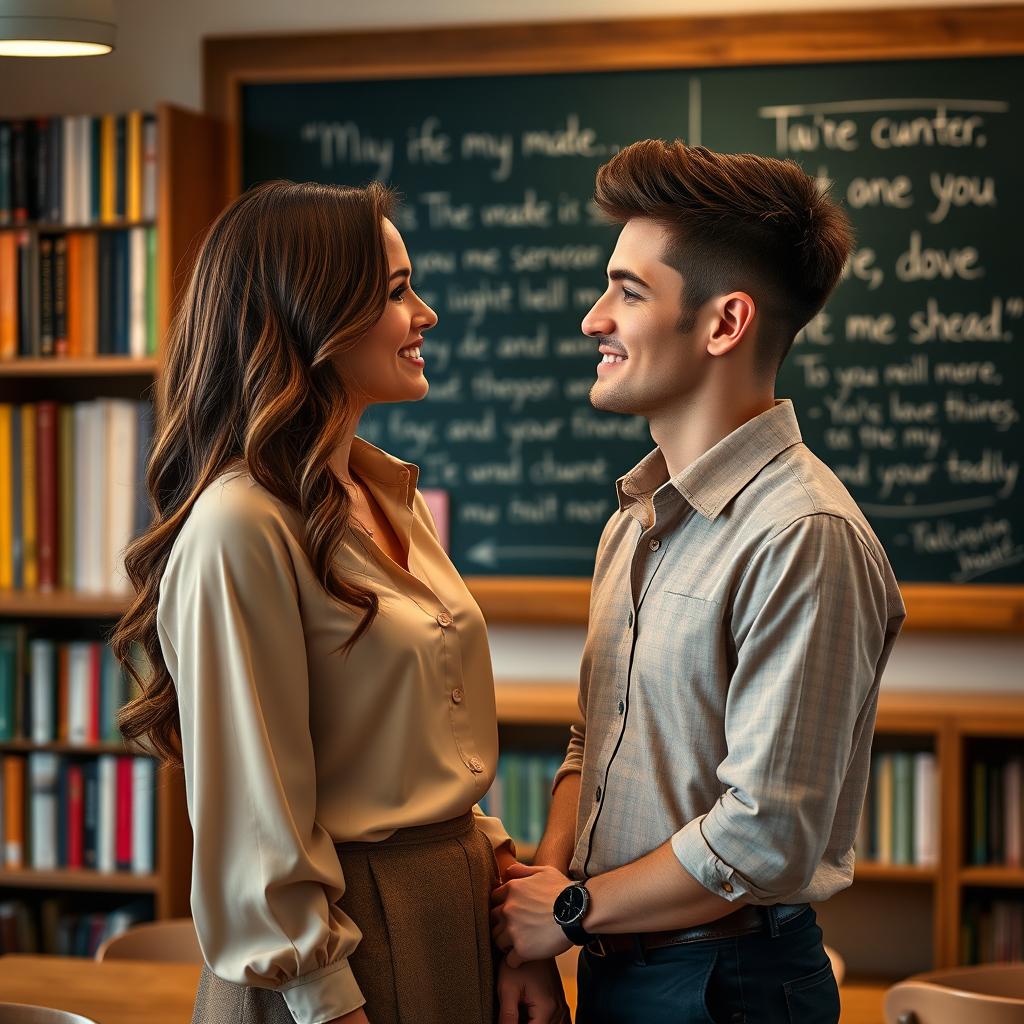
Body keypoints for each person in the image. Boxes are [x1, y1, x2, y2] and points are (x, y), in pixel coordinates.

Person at [112, 180, 567, 1024]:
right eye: (397, 292)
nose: (425, 314)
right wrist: (329, 1003)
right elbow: (257, 827)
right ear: (311, 313)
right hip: (340, 956)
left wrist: (504, 912)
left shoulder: (382, 489)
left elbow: (430, 750)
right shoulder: (239, 525)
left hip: (447, 913)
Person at [491, 140, 906, 1023]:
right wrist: (549, 902)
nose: (593, 319)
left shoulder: (804, 535)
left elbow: (763, 839)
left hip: (729, 989)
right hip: (620, 966)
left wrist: (566, 915)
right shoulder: (636, 520)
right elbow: (588, 743)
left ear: (724, 324)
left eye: (628, 291)